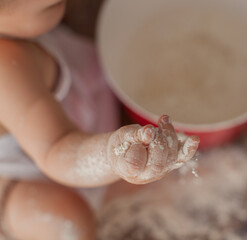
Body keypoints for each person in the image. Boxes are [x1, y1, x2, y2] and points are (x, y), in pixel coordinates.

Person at [0, 0, 200, 239]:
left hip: (60, 116)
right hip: (24, 171)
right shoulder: (5, 70)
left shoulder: (18, 21)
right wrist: (112, 155)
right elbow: (59, 147)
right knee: (66, 218)